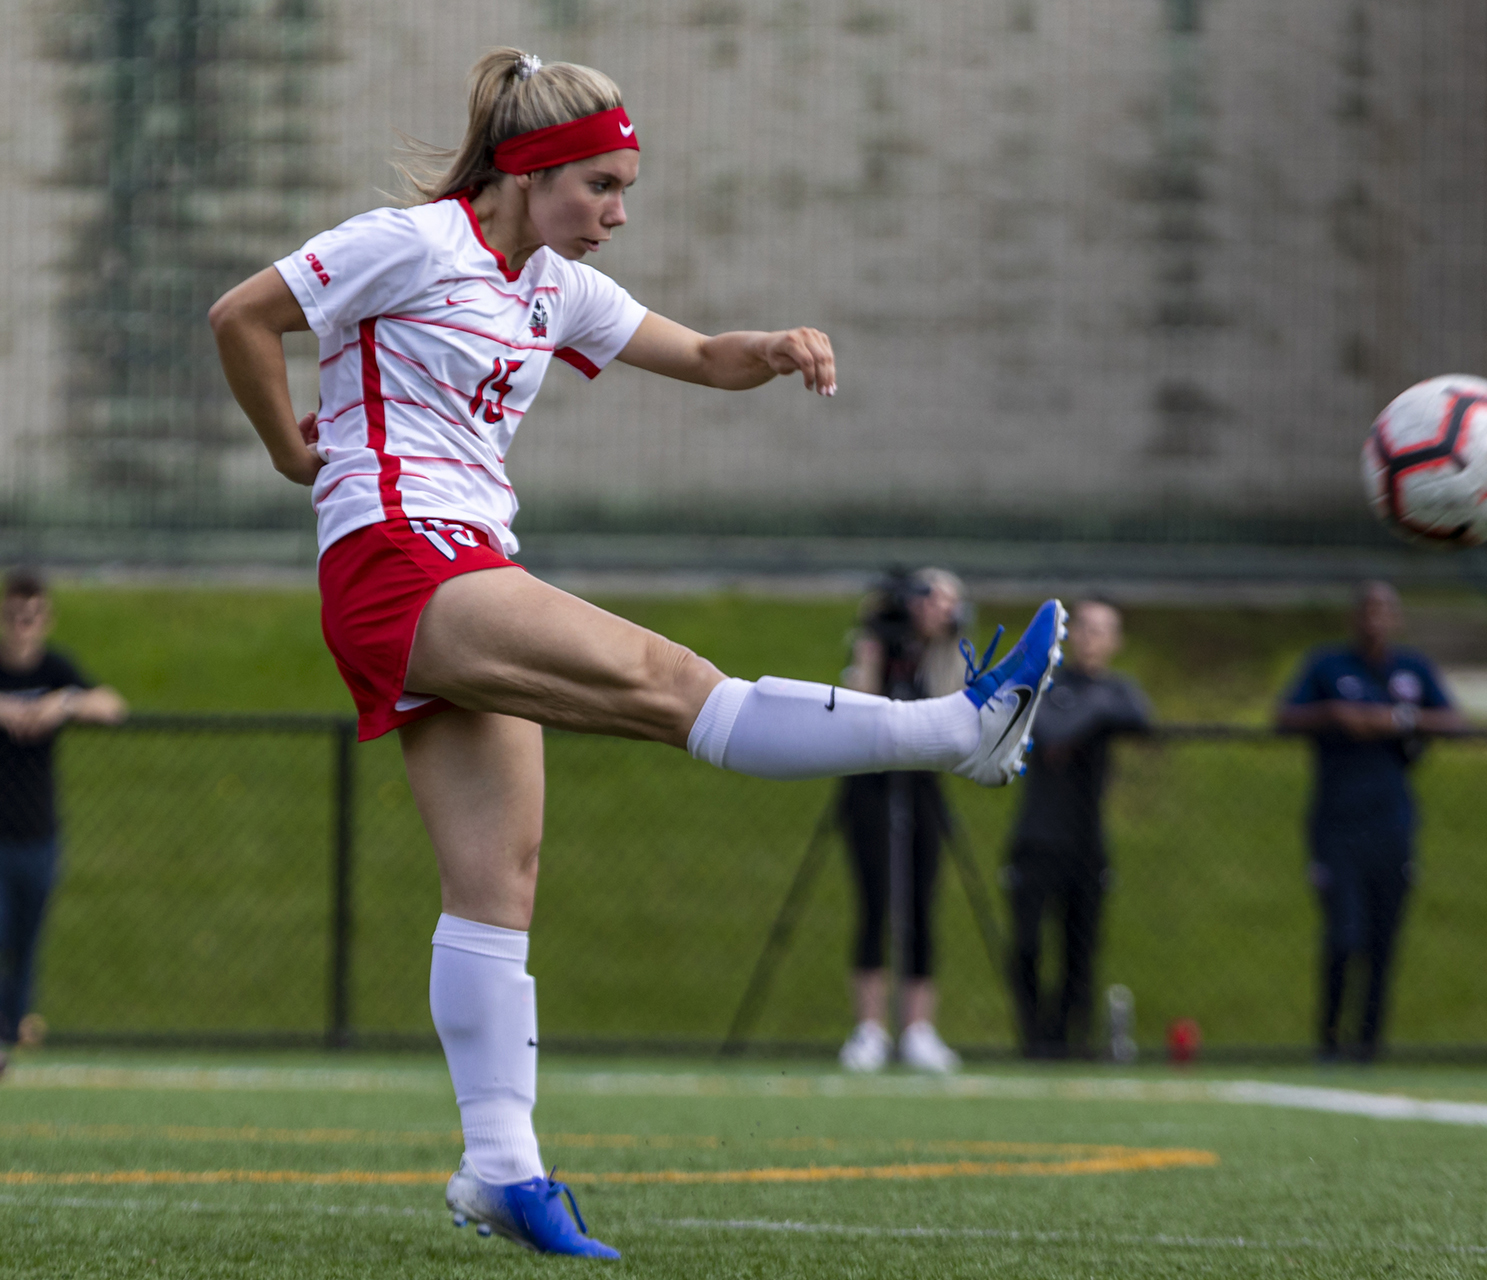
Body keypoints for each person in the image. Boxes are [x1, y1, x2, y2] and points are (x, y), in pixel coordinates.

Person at [209, 48, 1064, 1258]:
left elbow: (705, 355)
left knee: (500, 884)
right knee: (670, 685)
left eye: (625, 189)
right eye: (600, 186)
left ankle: (501, 1168)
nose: (617, 212)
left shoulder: (552, 287)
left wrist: (770, 344)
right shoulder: (410, 241)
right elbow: (241, 313)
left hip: (460, 558)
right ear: (527, 169)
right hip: (401, 559)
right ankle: (955, 732)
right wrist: (294, 456)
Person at [1276, 581, 1462, 1063]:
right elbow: (1284, 717)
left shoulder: (1412, 670)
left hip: (1392, 825)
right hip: (1337, 826)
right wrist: (1336, 715)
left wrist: (1396, 722)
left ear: (1396, 619)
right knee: (1344, 935)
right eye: (1367, 610)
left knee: (1383, 942)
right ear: (1354, 618)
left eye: (1385, 610)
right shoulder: (1328, 666)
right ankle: (1329, 1039)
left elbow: (1454, 721)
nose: (1375, 618)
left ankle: (1369, 1046)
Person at [1004, 597, 1152, 1059]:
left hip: (1087, 842)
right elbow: (1049, 731)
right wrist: (1093, 720)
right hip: (1036, 836)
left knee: (1080, 949)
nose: (1092, 638)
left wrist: (1092, 718)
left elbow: (1142, 719)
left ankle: (1071, 1041)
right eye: (1084, 627)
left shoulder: (1118, 689)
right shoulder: (1048, 686)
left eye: (1103, 629)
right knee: (1027, 944)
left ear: (1116, 640)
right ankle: (1035, 1037)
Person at [836, 568, 970, 1075]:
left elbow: (952, 709)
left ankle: (918, 1029)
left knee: (921, 905)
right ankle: (870, 1028)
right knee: (874, 903)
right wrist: (872, 643)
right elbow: (860, 703)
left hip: (922, 786)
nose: (943, 610)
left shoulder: (946, 651)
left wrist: (944, 645)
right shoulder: (879, 641)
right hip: (870, 783)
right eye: (934, 599)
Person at [0, 570, 128, 1079]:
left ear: (45, 618)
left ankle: (9, 1038)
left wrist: (63, 702)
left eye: (32, 616)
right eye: (14, 616)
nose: (23, 625)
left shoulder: (56, 668)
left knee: (26, 942)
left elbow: (113, 706)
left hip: (38, 834)